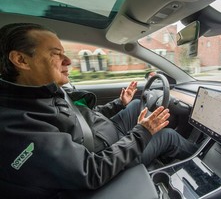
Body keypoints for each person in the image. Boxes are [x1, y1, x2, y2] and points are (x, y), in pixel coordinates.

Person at [0, 23, 197, 198]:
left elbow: (82, 118)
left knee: (137, 105)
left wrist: (118, 104)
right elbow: (90, 171)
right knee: (168, 135)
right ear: (21, 60)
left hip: (104, 134)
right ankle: (203, 164)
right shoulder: (18, 126)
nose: (68, 61)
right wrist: (142, 133)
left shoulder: (45, 92)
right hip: (105, 157)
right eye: (56, 54)